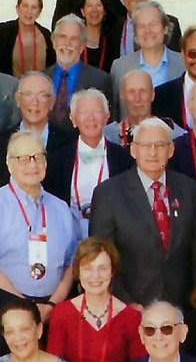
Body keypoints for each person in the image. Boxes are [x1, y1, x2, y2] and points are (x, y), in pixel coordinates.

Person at [89, 117, 196, 309]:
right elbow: (101, 255)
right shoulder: (109, 193)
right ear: (133, 150)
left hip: (182, 307)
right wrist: (127, 302)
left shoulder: (188, 189)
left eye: (160, 145)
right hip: (130, 307)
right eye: (145, 145)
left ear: (171, 150)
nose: (153, 152)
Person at [0, 131, 80, 318]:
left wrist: (52, 304)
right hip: (6, 309)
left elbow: (71, 262)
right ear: (9, 164)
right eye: (24, 159)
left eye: (38, 157)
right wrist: (23, 305)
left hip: (52, 309)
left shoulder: (60, 208)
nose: (33, 165)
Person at [43, 88, 133, 229]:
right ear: (73, 119)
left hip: (112, 233)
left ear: (106, 117)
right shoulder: (58, 160)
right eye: (84, 112)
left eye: (96, 111)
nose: (91, 118)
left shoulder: (124, 158)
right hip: (69, 232)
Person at [0, 73, 79, 183]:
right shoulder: (3, 142)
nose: (35, 102)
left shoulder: (69, 142)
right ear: (18, 100)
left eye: (42, 95)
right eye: (28, 94)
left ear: (52, 102)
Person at [42, 15, 112, 126]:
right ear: (54, 42)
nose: (67, 43)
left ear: (82, 46)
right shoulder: (40, 79)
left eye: (74, 39)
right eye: (62, 37)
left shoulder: (100, 80)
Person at [109, 2, 185, 104]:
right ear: (135, 33)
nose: (147, 31)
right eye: (141, 26)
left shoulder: (184, 64)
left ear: (166, 28)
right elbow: (115, 111)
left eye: (153, 24)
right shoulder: (119, 68)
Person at [103, 70, 185, 149]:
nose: (137, 98)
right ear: (122, 95)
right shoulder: (108, 136)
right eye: (131, 92)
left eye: (143, 91)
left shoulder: (174, 135)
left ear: (153, 94)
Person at [0, 0, 54, 78]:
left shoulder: (47, 36)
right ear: (17, 8)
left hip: (40, 89)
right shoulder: (3, 32)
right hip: (10, 89)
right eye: (25, 6)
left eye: (34, 7)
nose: (29, 11)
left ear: (39, 12)